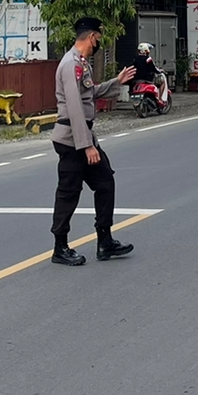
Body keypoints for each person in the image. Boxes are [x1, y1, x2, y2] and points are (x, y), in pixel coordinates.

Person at [50, 17, 138, 266]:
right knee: (69, 193)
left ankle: (105, 241)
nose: (98, 43)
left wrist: (116, 82)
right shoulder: (70, 65)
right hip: (72, 140)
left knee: (105, 182)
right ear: (91, 37)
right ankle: (60, 248)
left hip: (84, 136)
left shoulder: (81, 63)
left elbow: (89, 93)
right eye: (99, 39)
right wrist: (87, 145)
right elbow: (75, 107)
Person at [132, 42, 169, 107]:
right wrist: (160, 71)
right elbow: (153, 69)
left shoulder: (135, 59)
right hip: (147, 79)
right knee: (162, 81)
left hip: (136, 80)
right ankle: (160, 99)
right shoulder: (148, 59)